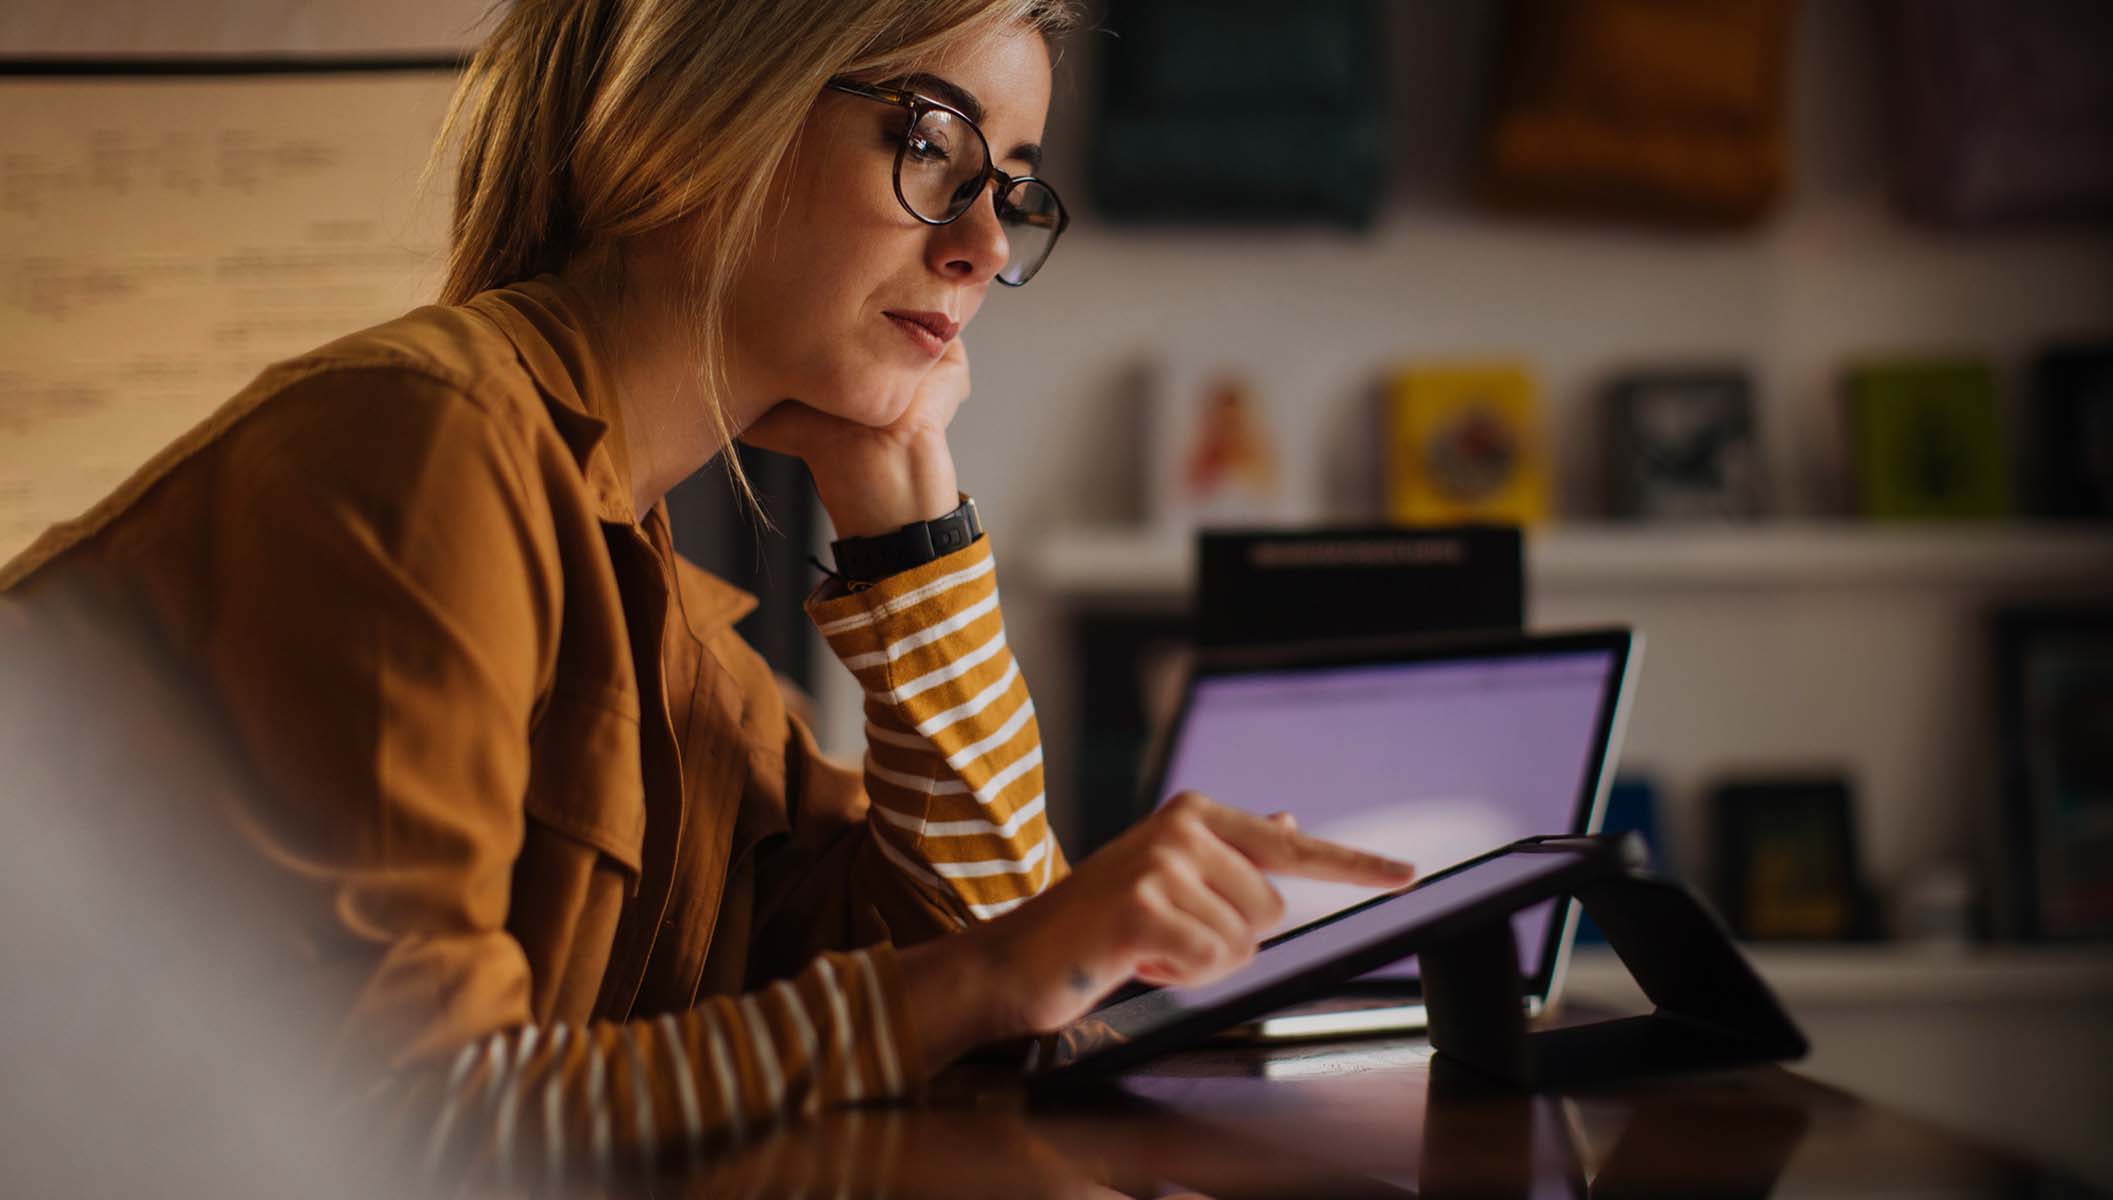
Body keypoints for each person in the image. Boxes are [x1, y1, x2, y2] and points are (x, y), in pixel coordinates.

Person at [0, 0, 1411, 1184]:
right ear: (703, 110)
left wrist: (914, 530)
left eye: (1015, 185)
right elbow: (406, 1131)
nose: (984, 246)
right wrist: (983, 982)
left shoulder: (664, 622)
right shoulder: (420, 446)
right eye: (932, 144)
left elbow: (992, 987)